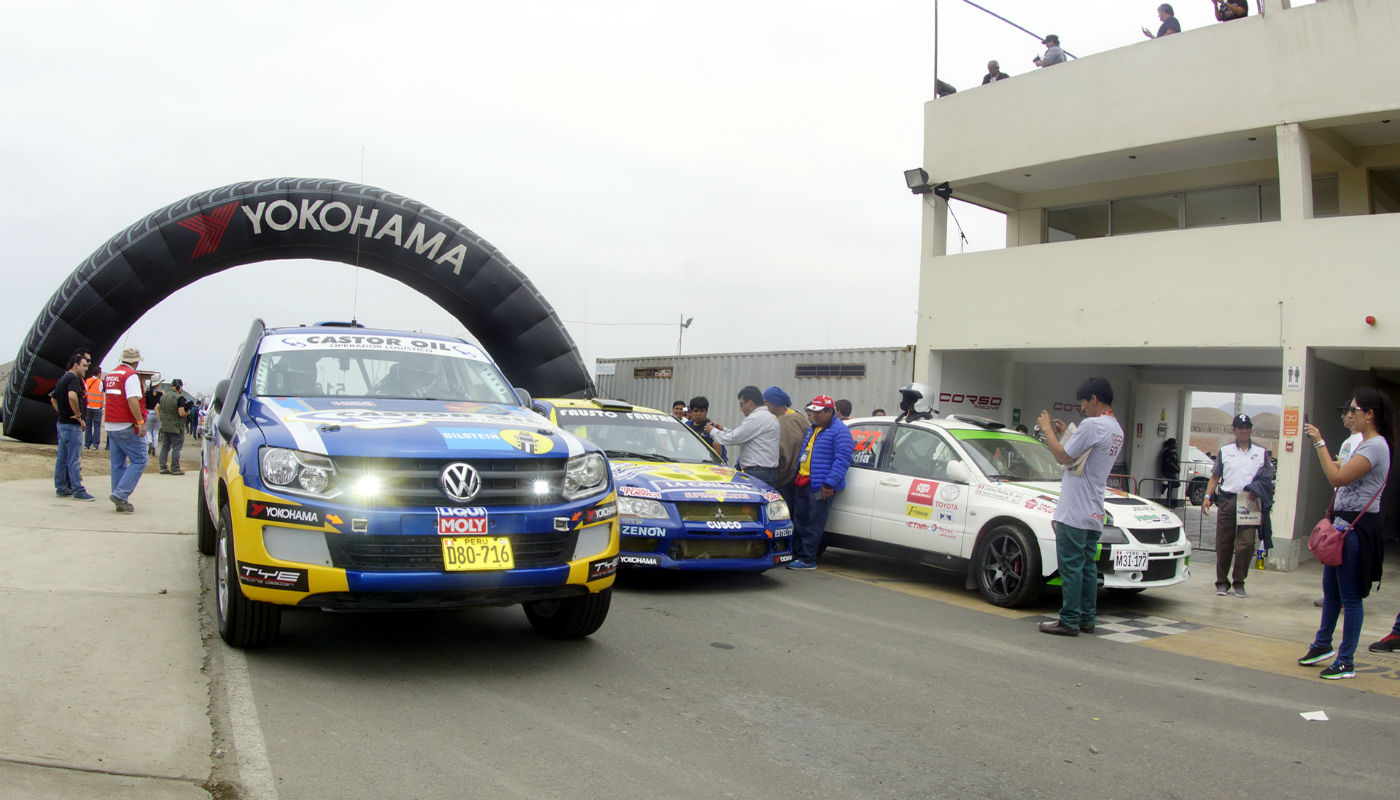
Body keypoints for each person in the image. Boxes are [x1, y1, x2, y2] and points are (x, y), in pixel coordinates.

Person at [1299, 388, 1393, 679]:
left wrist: (1319, 442)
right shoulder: (1362, 443)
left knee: (1350, 598)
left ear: (1370, 414)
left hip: (1356, 530)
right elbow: (1343, 472)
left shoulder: (1376, 446)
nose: (1349, 414)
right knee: (1332, 592)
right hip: (1342, 526)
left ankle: (1346, 660)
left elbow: (1337, 477)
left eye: (1354, 410)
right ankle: (1323, 644)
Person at [1036, 378, 1124, 636]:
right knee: (1086, 566)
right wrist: (1066, 434)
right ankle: (1087, 617)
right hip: (1094, 508)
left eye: (1084, 403)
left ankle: (1069, 619)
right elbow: (1085, 455)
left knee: (1071, 566)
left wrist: (1047, 431)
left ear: (1094, 399)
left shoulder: (1092, 425)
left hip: (1074, 509)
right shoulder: (1115, 428)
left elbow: (1064, 457)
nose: (1082, 409)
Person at [1201, 415, 1272, 597]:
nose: (1244, 430)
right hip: (1228, 500)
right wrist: (1208, 496)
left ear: (1251, 429)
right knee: (1224, 542)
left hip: (1250, 501)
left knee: (1246, 544)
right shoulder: (1225, 451)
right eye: (1240, 427)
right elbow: (1215, 476)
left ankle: (1239, 581)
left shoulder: (1261, 452)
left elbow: (1267, 477)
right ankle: (1222, 582)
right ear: (1234, 430)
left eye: (1247, 427)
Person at [789, 395, 853, 570]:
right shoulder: (813, 428)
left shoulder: (840, 431)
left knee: (813, 523)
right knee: (799, 520)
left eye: (818, 412)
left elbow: (842, 460)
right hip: (804, 481)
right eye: (813, 412)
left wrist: (828, 484)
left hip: (820, 486)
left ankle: (808, 558)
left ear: (829, 411)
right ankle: (796, 554)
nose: (814, 415)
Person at [103, 347, 150, 513]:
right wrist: (140, 421)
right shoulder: (130, 376)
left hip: (110, 424)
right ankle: (121, 494)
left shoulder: (111, 375)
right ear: (136, 362)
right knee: (140, 460)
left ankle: (119, 498)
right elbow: (132, 399)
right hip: (125, 424)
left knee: (117, 463)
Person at [706, 386, 780, 487]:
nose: (740, 409)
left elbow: (733, 438)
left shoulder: (757, 418)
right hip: (764, 472)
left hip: (758, 472)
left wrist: (712, 431)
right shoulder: (767, 417)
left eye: (741, 404)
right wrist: (723, 429)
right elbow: (743, 436)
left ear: (750, 402)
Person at [51, 352, 96, 501]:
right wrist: (78, 416)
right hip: (71, 425)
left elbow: (53, 400)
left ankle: (61, 487)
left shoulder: (63, 378)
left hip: (62, 423)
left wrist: (62, 413)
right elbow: (72, 396)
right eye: (84, 365)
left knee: (62, 458)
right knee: (74, 459)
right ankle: (77, 489)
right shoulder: (73, 379)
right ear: (75, 365)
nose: (86, 368)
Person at [764, 386, 811, 509]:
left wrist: (778, 476)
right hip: (796, 476)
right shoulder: (798, 417)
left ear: (774, 404)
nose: (765, 406)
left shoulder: (785, 422)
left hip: (786, 479)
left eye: (766, 402)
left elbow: (784, 453)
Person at [157, 378, 190, 475]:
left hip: (165, 426)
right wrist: (187, 412)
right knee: (176, 448)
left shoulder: (163, 397)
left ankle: (162, 467)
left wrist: (162, 419)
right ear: (179, 387)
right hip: (176, 427)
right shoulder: (179, 398)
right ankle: (175, 468)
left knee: (165, 447)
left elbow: (156, 409)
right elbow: (181, 413)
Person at [684, 396, 725, 461]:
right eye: (696, 411)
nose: (699, 414)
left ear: (706, 412)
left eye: (702, 411)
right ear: (691, 412)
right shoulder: (687, 425)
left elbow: (718, 454)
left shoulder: (712, 429)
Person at [83, 365, 104, 450]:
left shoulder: (87, 381)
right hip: (97, 408)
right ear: (99, 373)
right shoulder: (100, 382)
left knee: (88, 425)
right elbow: (101, 391)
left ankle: (87, 444)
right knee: (97, 426)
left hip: (88, 407)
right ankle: (95, 444)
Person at [1158, 438, 1180, 504]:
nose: (1176, 445)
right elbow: (1170, 462)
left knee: (1171, 487)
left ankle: (1168, 502)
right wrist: (1176, 468)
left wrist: (1178, 468)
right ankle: (1165, 486)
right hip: (1168, 471)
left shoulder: (1174, 452)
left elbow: (1176, 461)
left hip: (1173, 472)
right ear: (1171, 444)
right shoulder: (1166, 452)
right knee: (1177, 483)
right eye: (1175, 444)